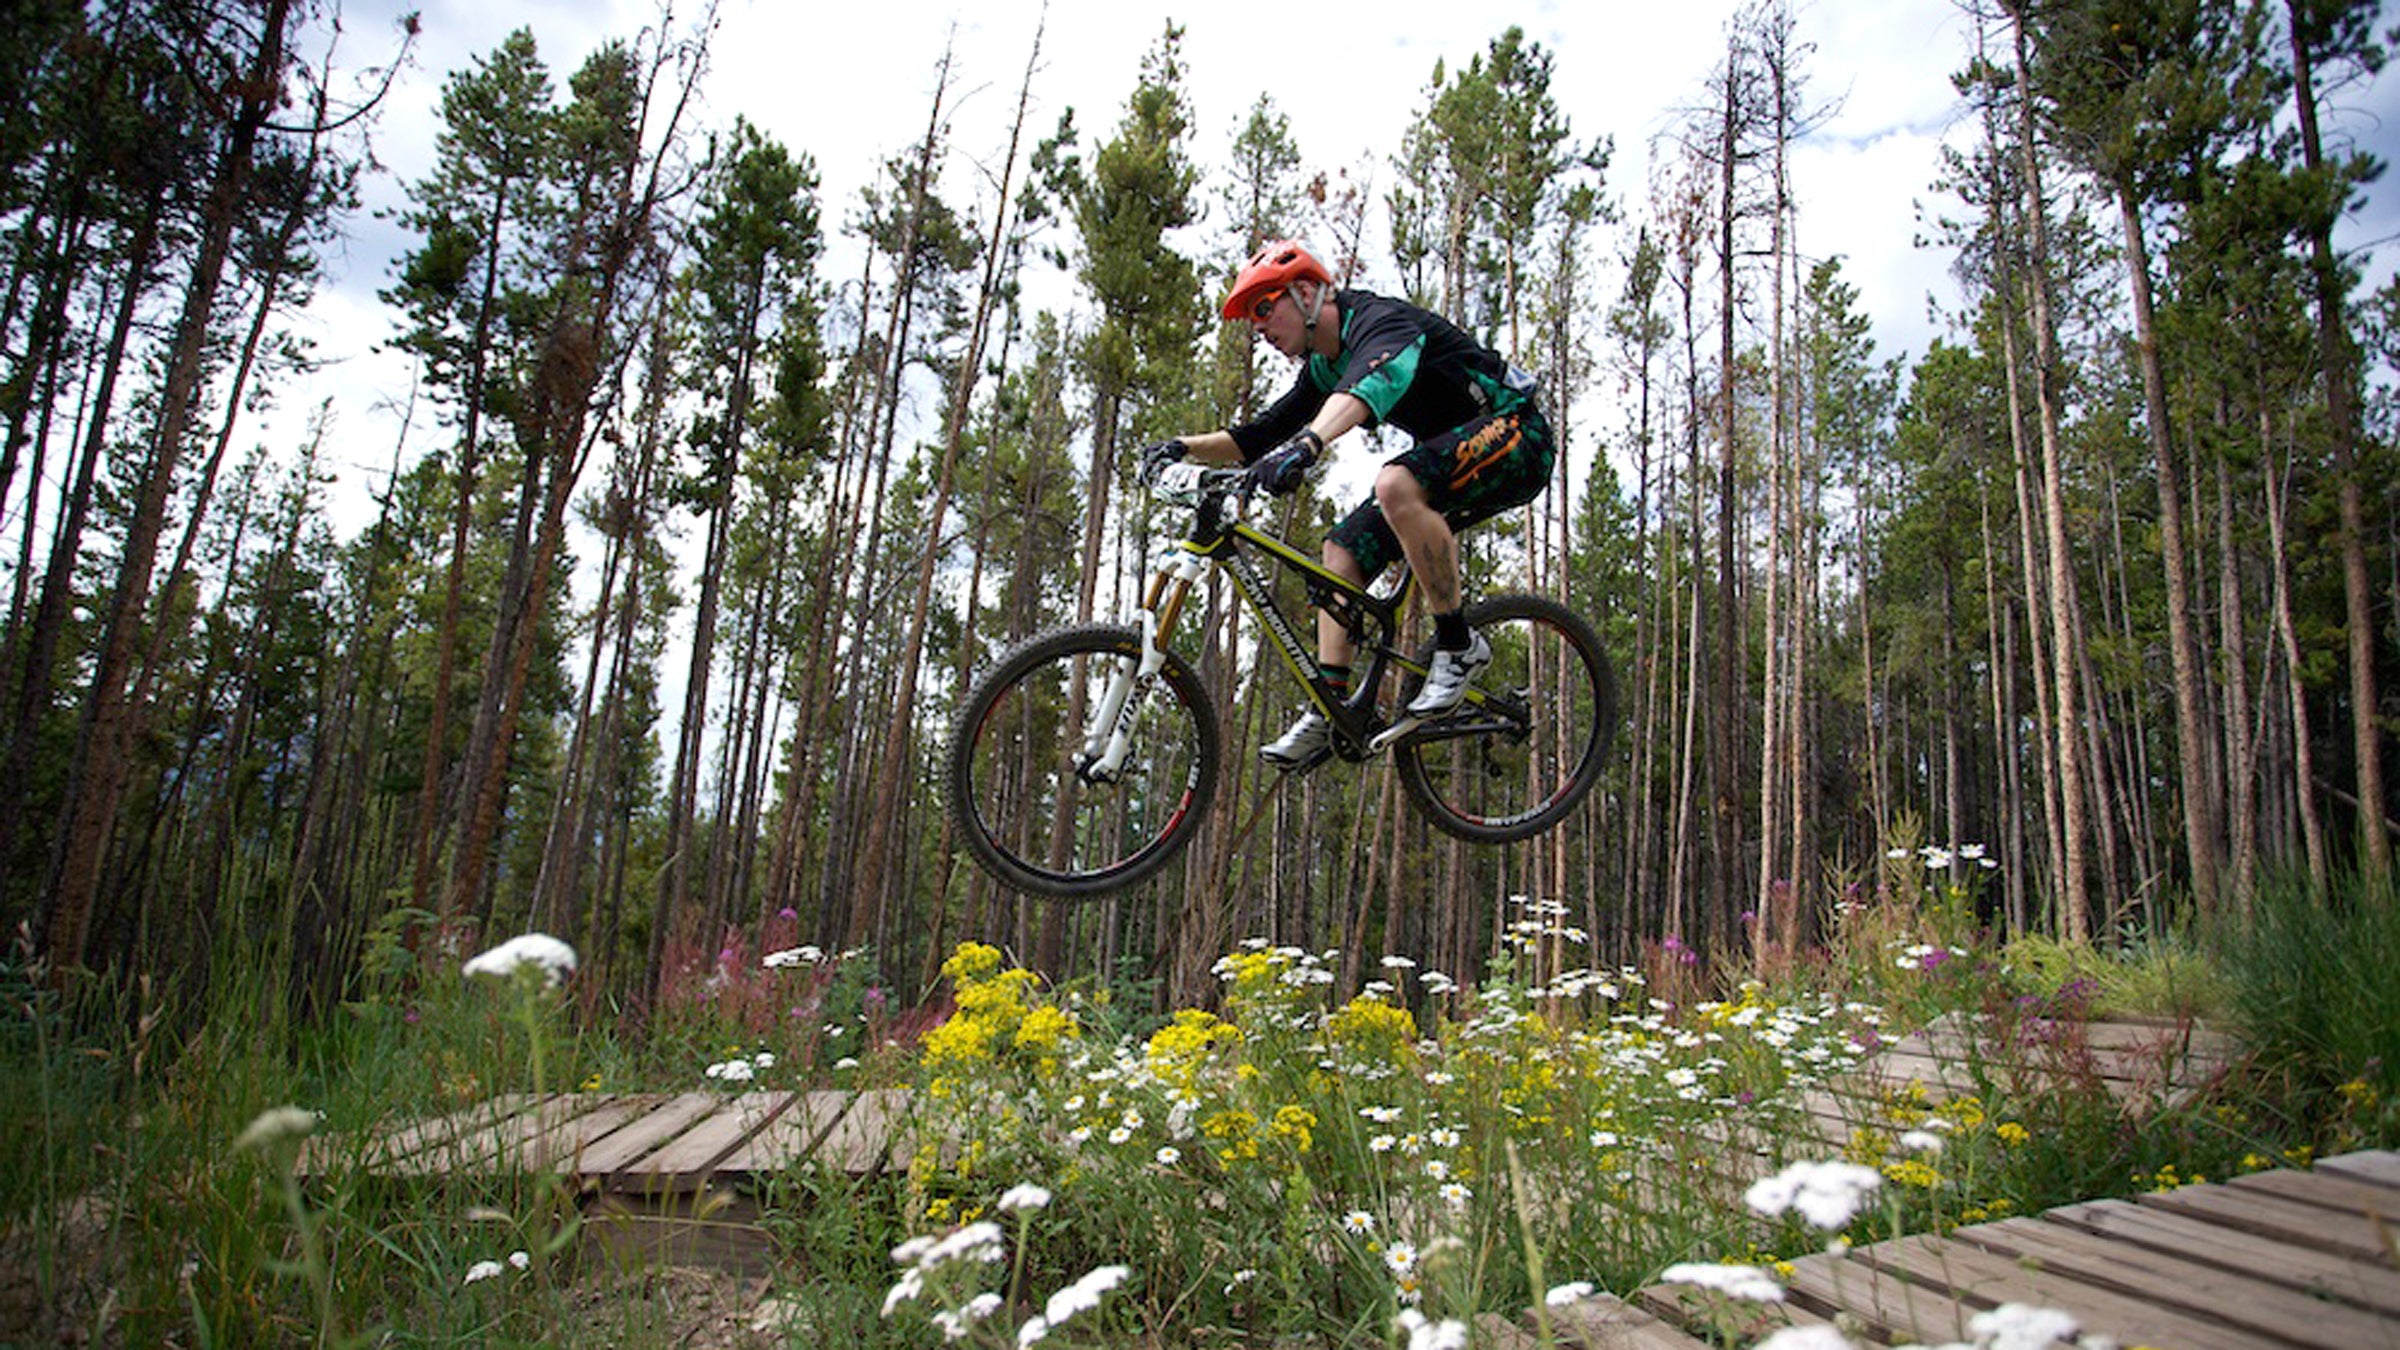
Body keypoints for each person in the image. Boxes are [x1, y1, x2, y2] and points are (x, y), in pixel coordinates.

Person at [1143, 239, 1555, 770]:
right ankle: (1333, 705)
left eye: (1265, 307)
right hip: (1452, 459)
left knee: (1395, 484)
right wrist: (1180, 448)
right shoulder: (1323, 368)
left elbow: (1371, 385)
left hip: (1518, 433)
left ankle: (1458, 644)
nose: (1259, 327)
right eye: (1251, 318)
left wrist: (1310, 444)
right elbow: (1258, 436)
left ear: (1308, 292)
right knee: (1340, 549)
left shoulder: (1381, 323)